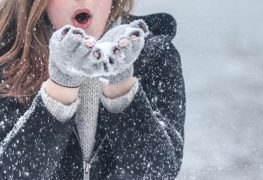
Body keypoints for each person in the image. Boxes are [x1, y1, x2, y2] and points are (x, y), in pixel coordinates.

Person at [0, 0, 186, 179]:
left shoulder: (155, 55)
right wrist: (61, 84)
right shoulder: (7, 60)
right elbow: (10, 173)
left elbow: (158, 172)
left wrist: (119, 81)